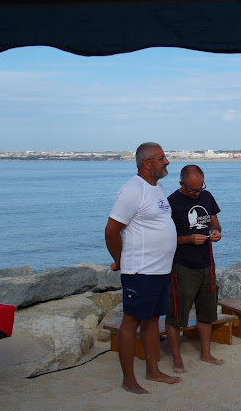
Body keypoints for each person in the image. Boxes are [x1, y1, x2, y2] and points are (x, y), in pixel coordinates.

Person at [104, 142, 181, 394]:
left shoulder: (157, 188)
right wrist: (119, 260)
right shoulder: (131, 190)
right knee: (131, 321)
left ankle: (153, 370)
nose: (167, 161)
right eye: (162, 158)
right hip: (140, 270)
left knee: (153, 319)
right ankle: (129, 380)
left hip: (160, 270)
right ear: (147, 163)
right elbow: (112, 231)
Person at [166, 165, 224, 373]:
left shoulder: (207, 196)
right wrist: (188, 239)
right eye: (192, 190)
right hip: (182, 266)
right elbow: (164, 239)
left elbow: (215, 223)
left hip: (207, 263)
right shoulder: (171, 203)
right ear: (181, 184)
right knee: (176, 314)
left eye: (200, 188)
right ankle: (177, 359)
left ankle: (206, 354)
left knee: (207, 311)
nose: (197, 193)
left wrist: (216, 232)